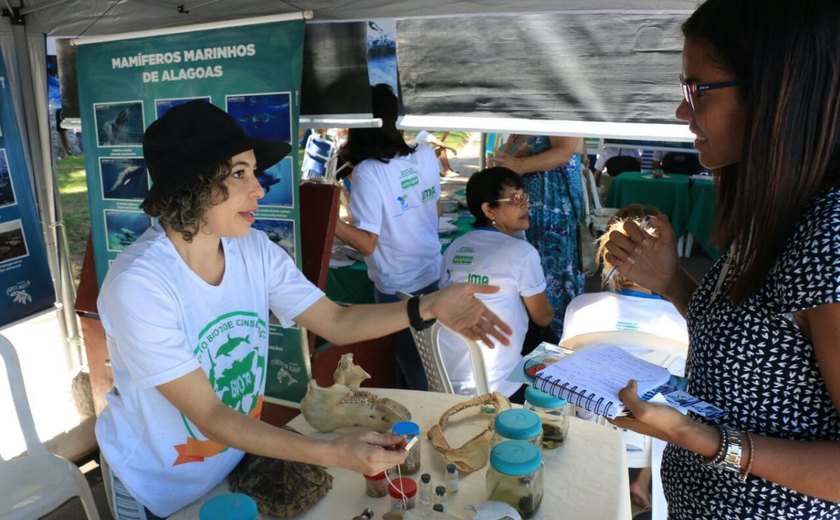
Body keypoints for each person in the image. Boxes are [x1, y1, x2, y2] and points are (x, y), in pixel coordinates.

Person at [95, 100, 511, 519]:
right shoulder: (140, 285)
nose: (259, 188)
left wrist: (428, 306)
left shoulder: (252, 249)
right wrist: (330, 450)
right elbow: (210, 414)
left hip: (233, 458)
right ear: (191, 185)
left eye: (254, 172)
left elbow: (334, 320)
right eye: (239, 174)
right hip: (159, 486)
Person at [604, 1, 840, 517]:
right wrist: (672, 282)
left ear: (777, 93)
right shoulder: (777, 210)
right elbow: (759, 347)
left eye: (697, 90)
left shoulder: (832, 235)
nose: (681, 112)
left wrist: (700, 437)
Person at [334, 84, 443, 391]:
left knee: (411, 370)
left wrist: (331, 220)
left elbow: (368, 242)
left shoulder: (369, 171)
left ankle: (416, 429)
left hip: (398, 286)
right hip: (430, 271)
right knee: (429, 364)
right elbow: (435, 206)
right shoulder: (424, 153)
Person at [438, 166, 553, 401]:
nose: (525, 205)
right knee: (555, 342)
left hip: (445, 380)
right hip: (497, 386)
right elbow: (543, 317)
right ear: (489, 209)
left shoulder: (455, 247)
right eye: (514, 199)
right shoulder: (522, 253)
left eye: (524, 196)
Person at [492, 134, 586, 338]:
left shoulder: (561, 107)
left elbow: (563, 153)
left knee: (549, 275)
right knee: (525, 273)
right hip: (525, 212)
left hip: (551, 211)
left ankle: (552, 341)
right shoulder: (526, 112)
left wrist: (519, 164)